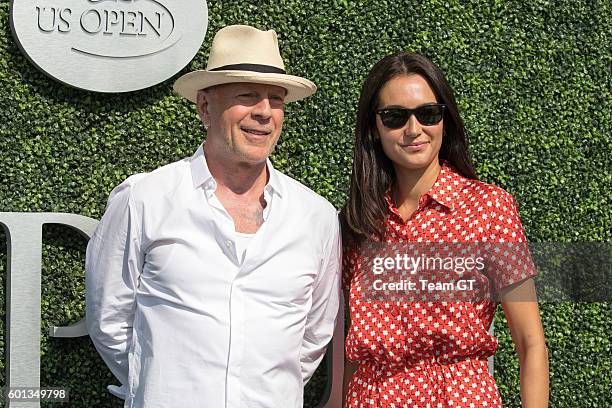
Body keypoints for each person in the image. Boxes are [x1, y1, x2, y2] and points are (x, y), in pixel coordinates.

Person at [85, 25, 341, 408]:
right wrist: (166, 383)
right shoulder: (145, 198)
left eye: (276, 99)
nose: (264, 112)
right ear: (206, 106)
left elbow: (313, 336)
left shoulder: (315, 216)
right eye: (247, 96)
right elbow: (109, 320)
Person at [340, 52, 549, 407]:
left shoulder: (489, 209)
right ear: (374, 129)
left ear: (445, 120)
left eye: (428, 113)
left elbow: (531, 343)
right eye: (394, 117)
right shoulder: (358, 223)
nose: (413, 129)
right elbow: (353, 353)